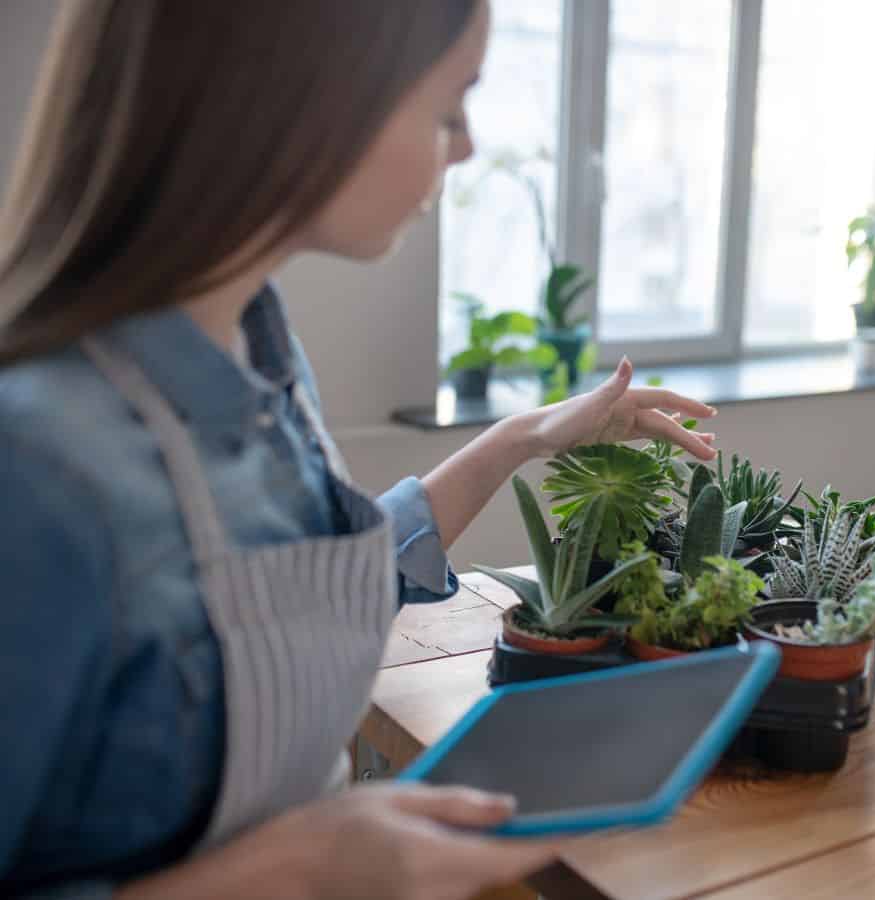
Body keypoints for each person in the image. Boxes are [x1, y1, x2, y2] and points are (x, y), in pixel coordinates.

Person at [0, 1, 719, 897]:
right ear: (307, 96)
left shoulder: (259, 350)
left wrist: (520, 440)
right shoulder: (38, 469)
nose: (463, 148)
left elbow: (303, 599)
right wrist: (303, 871)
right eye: (450, 105)